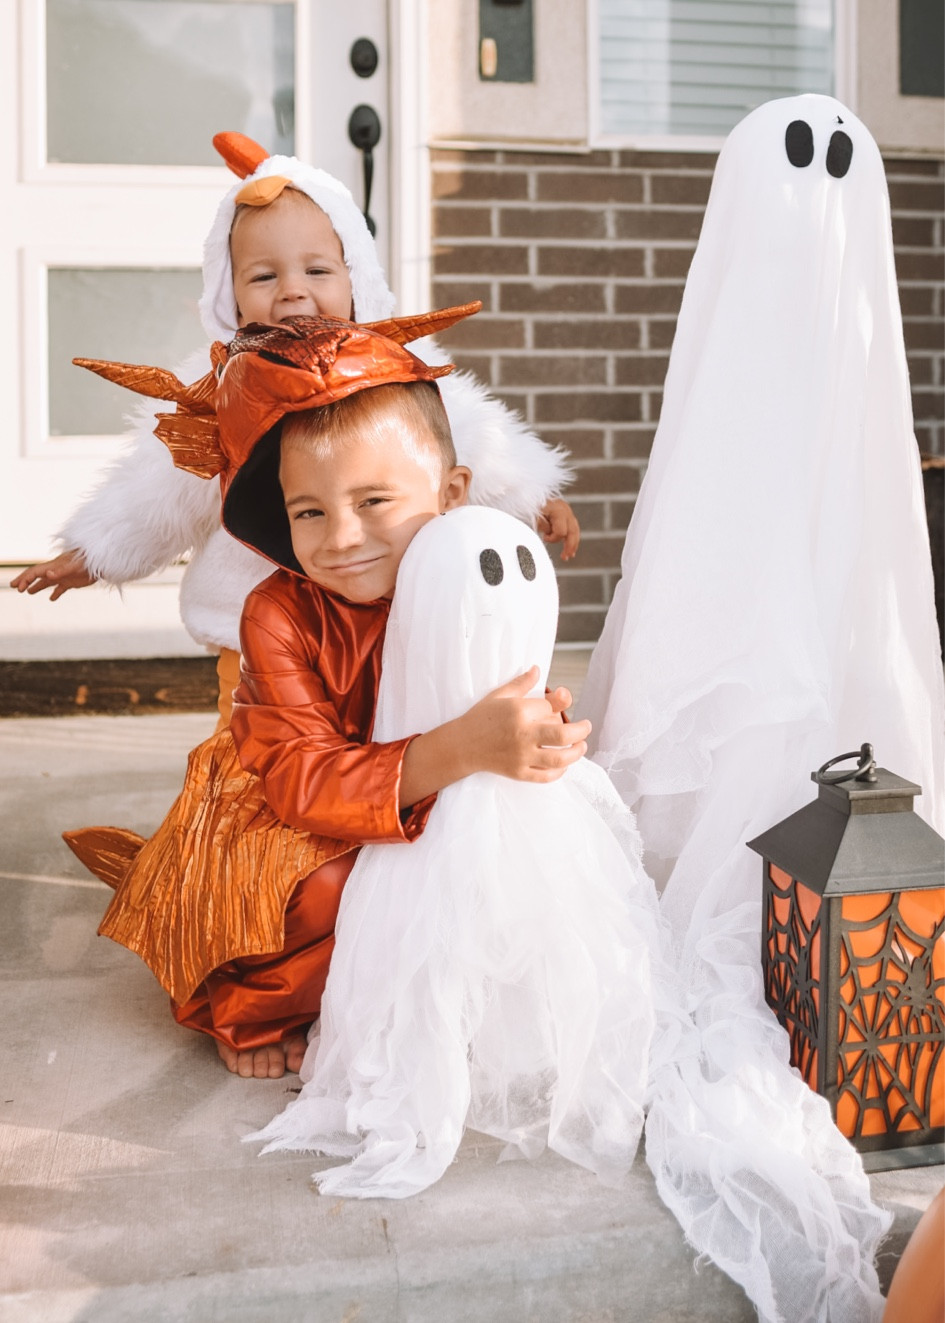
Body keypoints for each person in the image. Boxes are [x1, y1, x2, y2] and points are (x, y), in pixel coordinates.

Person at [579, 95, 929, 1323]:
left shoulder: (860, 365)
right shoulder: (730, 366)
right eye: (797, 161)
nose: (819, 190)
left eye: (845, 164)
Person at [64, 308, 591, 1083]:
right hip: (291, 805)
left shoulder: (459, 578)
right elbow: (302, 779)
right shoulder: (277, 613)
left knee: (512, 844)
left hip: (413, 785)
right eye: (309, 511)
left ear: (450, 494)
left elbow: (493, 684)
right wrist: (465, 746)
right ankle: (254, 1001)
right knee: (318, 886)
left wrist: (532, 723)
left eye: (373, 502)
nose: (340, 537)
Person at [12, 132, 579, 727]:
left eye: (316, 269)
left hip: (376, 620)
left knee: (372, 742)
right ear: (229, 293)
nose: (293, 290)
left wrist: (532, 497)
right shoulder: (222, 385)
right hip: (252, 634)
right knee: (255, 761)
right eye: (263, 277)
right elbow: (158, 486)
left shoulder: (391, 363)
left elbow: (464, 435)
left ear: (355, 276)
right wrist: (96, 552)